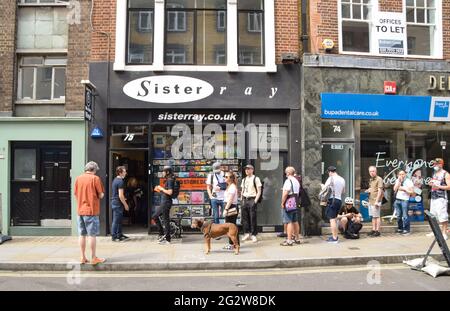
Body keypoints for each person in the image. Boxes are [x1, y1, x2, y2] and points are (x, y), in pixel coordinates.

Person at [74, 161, 105, 265]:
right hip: (91, 211)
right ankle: (93, 258)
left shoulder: (78, 178)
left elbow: (75, 194)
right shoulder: (95, 179)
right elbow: (100, 195)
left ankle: (82, 257)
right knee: (92, 235)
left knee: (82, 235)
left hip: (80, 210)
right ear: (94, 170)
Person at [427, 158, 450, 240]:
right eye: (434, 164)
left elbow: (449, 186)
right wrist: (431, 183)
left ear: (441, 164)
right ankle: (435, 232)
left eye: (436, 164)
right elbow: (433, 183)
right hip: (433, 196)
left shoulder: (446, 174)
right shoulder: (434, 173)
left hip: (441, 197)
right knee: (433, 215)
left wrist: (438, 187)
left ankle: (444, 233)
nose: (434, 165)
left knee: (443, 216)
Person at [323, 166, 345, 243]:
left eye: (328, 173)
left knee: (332, 219)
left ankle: (335, 238)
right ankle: (334, 236)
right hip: (339, 200)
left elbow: (324, 189)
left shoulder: (331, 178)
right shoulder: (342, 179)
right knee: (335, 219)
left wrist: (322, 186)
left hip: (332, 200)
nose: (328, 174)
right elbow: (343, 191)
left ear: (330, 172)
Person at [240, 164, 262, 243]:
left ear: (252, 170)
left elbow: (259, 191)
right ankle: (246, 233)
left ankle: (253, 234)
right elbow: (242, 190)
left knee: (252, 218)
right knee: (244, 217)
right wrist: (241, 199)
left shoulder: (256, 178)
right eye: (246, 169)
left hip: (252, 199)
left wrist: (255, 201)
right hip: (245, 199)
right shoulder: (244, 179)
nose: (247, 170)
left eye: (248, 169)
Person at [154, 165, 175, 245]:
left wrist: (161, 188)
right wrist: (160, 190)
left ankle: (167, 239)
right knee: (155, 216)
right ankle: (162, 235)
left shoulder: (170, 180)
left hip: (166, 203)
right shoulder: (168, 180)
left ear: (167, 172)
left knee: (165, 220)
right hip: (165, 202)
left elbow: (170, 192)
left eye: (163, 171)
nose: (162, 173)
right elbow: (167, 193)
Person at [280, 166, 300, 246]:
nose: (285, 174)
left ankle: (289, 240)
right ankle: (297, 238)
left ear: (288, 173)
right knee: (295, 221)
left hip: (289, 202)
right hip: (295, 201)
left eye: (286, 173)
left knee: (289, 221)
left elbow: (286, 193)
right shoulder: (296, 180)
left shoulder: (288, 181)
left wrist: (282, 202)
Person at [111, 166, 130, 242]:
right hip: (118, 203)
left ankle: (119, 234)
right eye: (124, 172)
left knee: (118, 219)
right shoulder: (120, 181)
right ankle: (114, 236)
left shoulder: (115, 180)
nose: (126, 173)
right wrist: (126, 205)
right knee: (116, 220)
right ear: (120, 172)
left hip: (116, 202)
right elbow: (120, 195)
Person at [393, 170, 414, 235]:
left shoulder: (409, 181)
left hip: (405, 200)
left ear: (405, 174)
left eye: (403, 174)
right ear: (398, 175)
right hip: (398, 199)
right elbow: (394, 189)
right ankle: (400, 228)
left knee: (405, 215)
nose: (401, 176)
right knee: (399, 215)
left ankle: (406, 230)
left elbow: (412, 192)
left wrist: (404, 189)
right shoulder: (397, 180)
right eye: (400, 174)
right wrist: (399, 182)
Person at [223, 171, 240, 250]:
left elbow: (230, 199)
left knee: (231, 227)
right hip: (230, 206)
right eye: (225, 176)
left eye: (226, 177)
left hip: (231, 207)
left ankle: (233, 244)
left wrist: (226, 209)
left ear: (231, 178)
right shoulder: (229, 186)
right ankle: (233, 244)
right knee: (231, 227)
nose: (225, 178)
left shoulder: (232, 187)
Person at [365, 166, 384, 237]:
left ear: (376, 171)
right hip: (371, 200)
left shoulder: (379, 179)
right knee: (373, 216)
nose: (372, 173)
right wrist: (368, 190)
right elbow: (372, 188)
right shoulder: (371, 179)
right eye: (370, 171)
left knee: (377, 216)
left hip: (376, 200)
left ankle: (377, 231)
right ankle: (373, 230)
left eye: (373, 171)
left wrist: (377, 201)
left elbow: (380, 190)